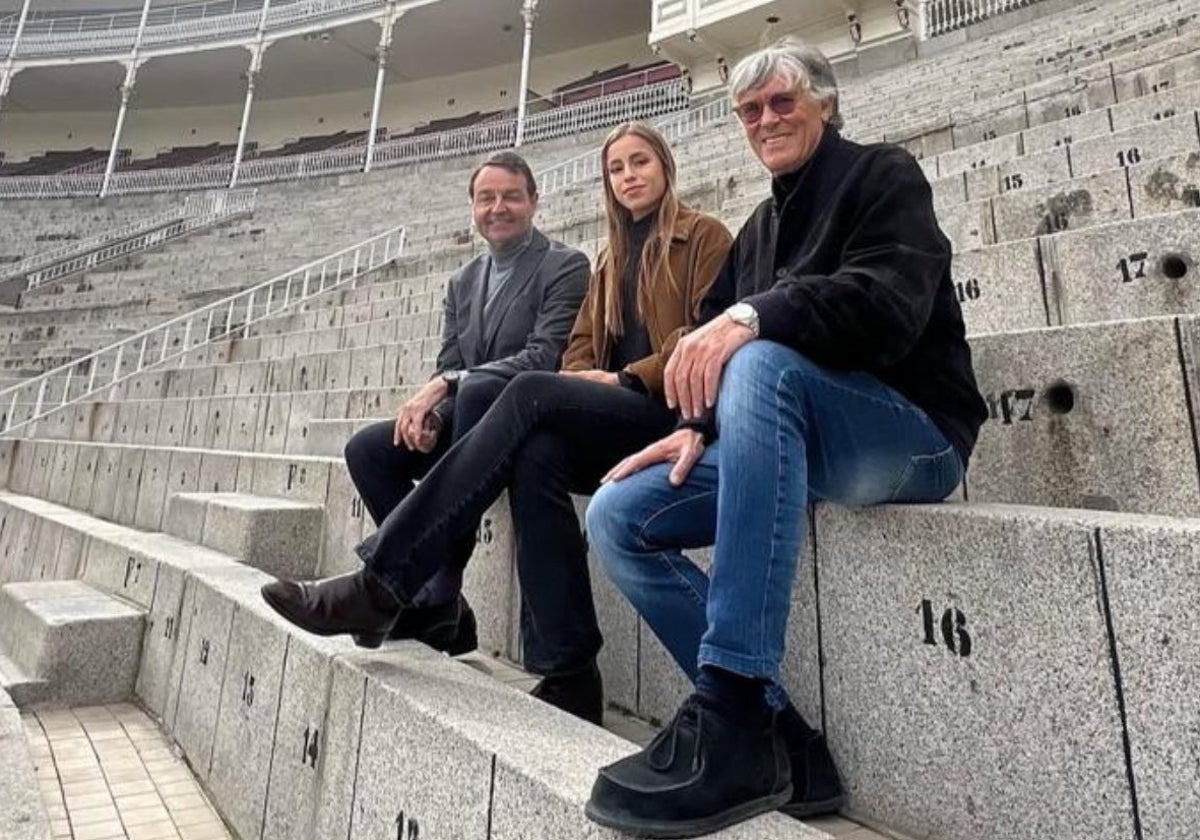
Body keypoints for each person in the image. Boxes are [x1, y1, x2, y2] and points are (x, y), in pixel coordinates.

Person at [583, 39, 988, 837]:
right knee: (618, 516)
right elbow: (707, 342)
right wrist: (694, 426)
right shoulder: (761, 227)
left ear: (825, 104)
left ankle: (728, 698)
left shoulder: (884, 176)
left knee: (761, 356)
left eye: (781, 102)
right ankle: (781, 740)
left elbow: (887, 307)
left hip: (913, 434)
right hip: (791, 442)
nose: (765, 119)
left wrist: (752, 318)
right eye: (750, 110)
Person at [261, 122, 733, 724]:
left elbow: (703, 337)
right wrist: (583, 376)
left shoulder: (704, 237)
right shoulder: (611, 259)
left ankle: (383, 583)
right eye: (617, 169)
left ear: (665, 167)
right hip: (607, 411)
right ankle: (570, 675)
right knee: (534, 454)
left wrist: (622, 377)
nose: (629, 176)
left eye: (640, 162)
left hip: (667, 409)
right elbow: (579, 348)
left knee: (525, 391)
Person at [339, 150, 590, 656]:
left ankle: (442, 587)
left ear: (534, 202)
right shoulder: (462, 282)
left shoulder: (565, 265)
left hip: (522, 425)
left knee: (475, 389)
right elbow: (448, 361)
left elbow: (544, 356)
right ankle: (436, 594)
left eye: (511, 197)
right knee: (366, 449)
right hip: (466, 424)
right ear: (472, 207)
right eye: (486, 198)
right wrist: (431, 413)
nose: (498, 208)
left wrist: (449, 384)